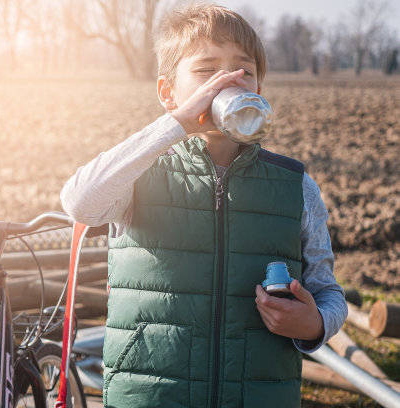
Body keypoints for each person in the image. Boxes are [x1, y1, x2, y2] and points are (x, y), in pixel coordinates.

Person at [60, 3, 347, 408]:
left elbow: (328, 292)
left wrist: (315, 322)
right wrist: (176, 124)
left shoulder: (295, 187)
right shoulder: (139, 173)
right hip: (151, 396)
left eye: (243, 71)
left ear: (258, 91)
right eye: (207, 70)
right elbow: (80, 202)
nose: (226, 82)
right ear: (168, 92)